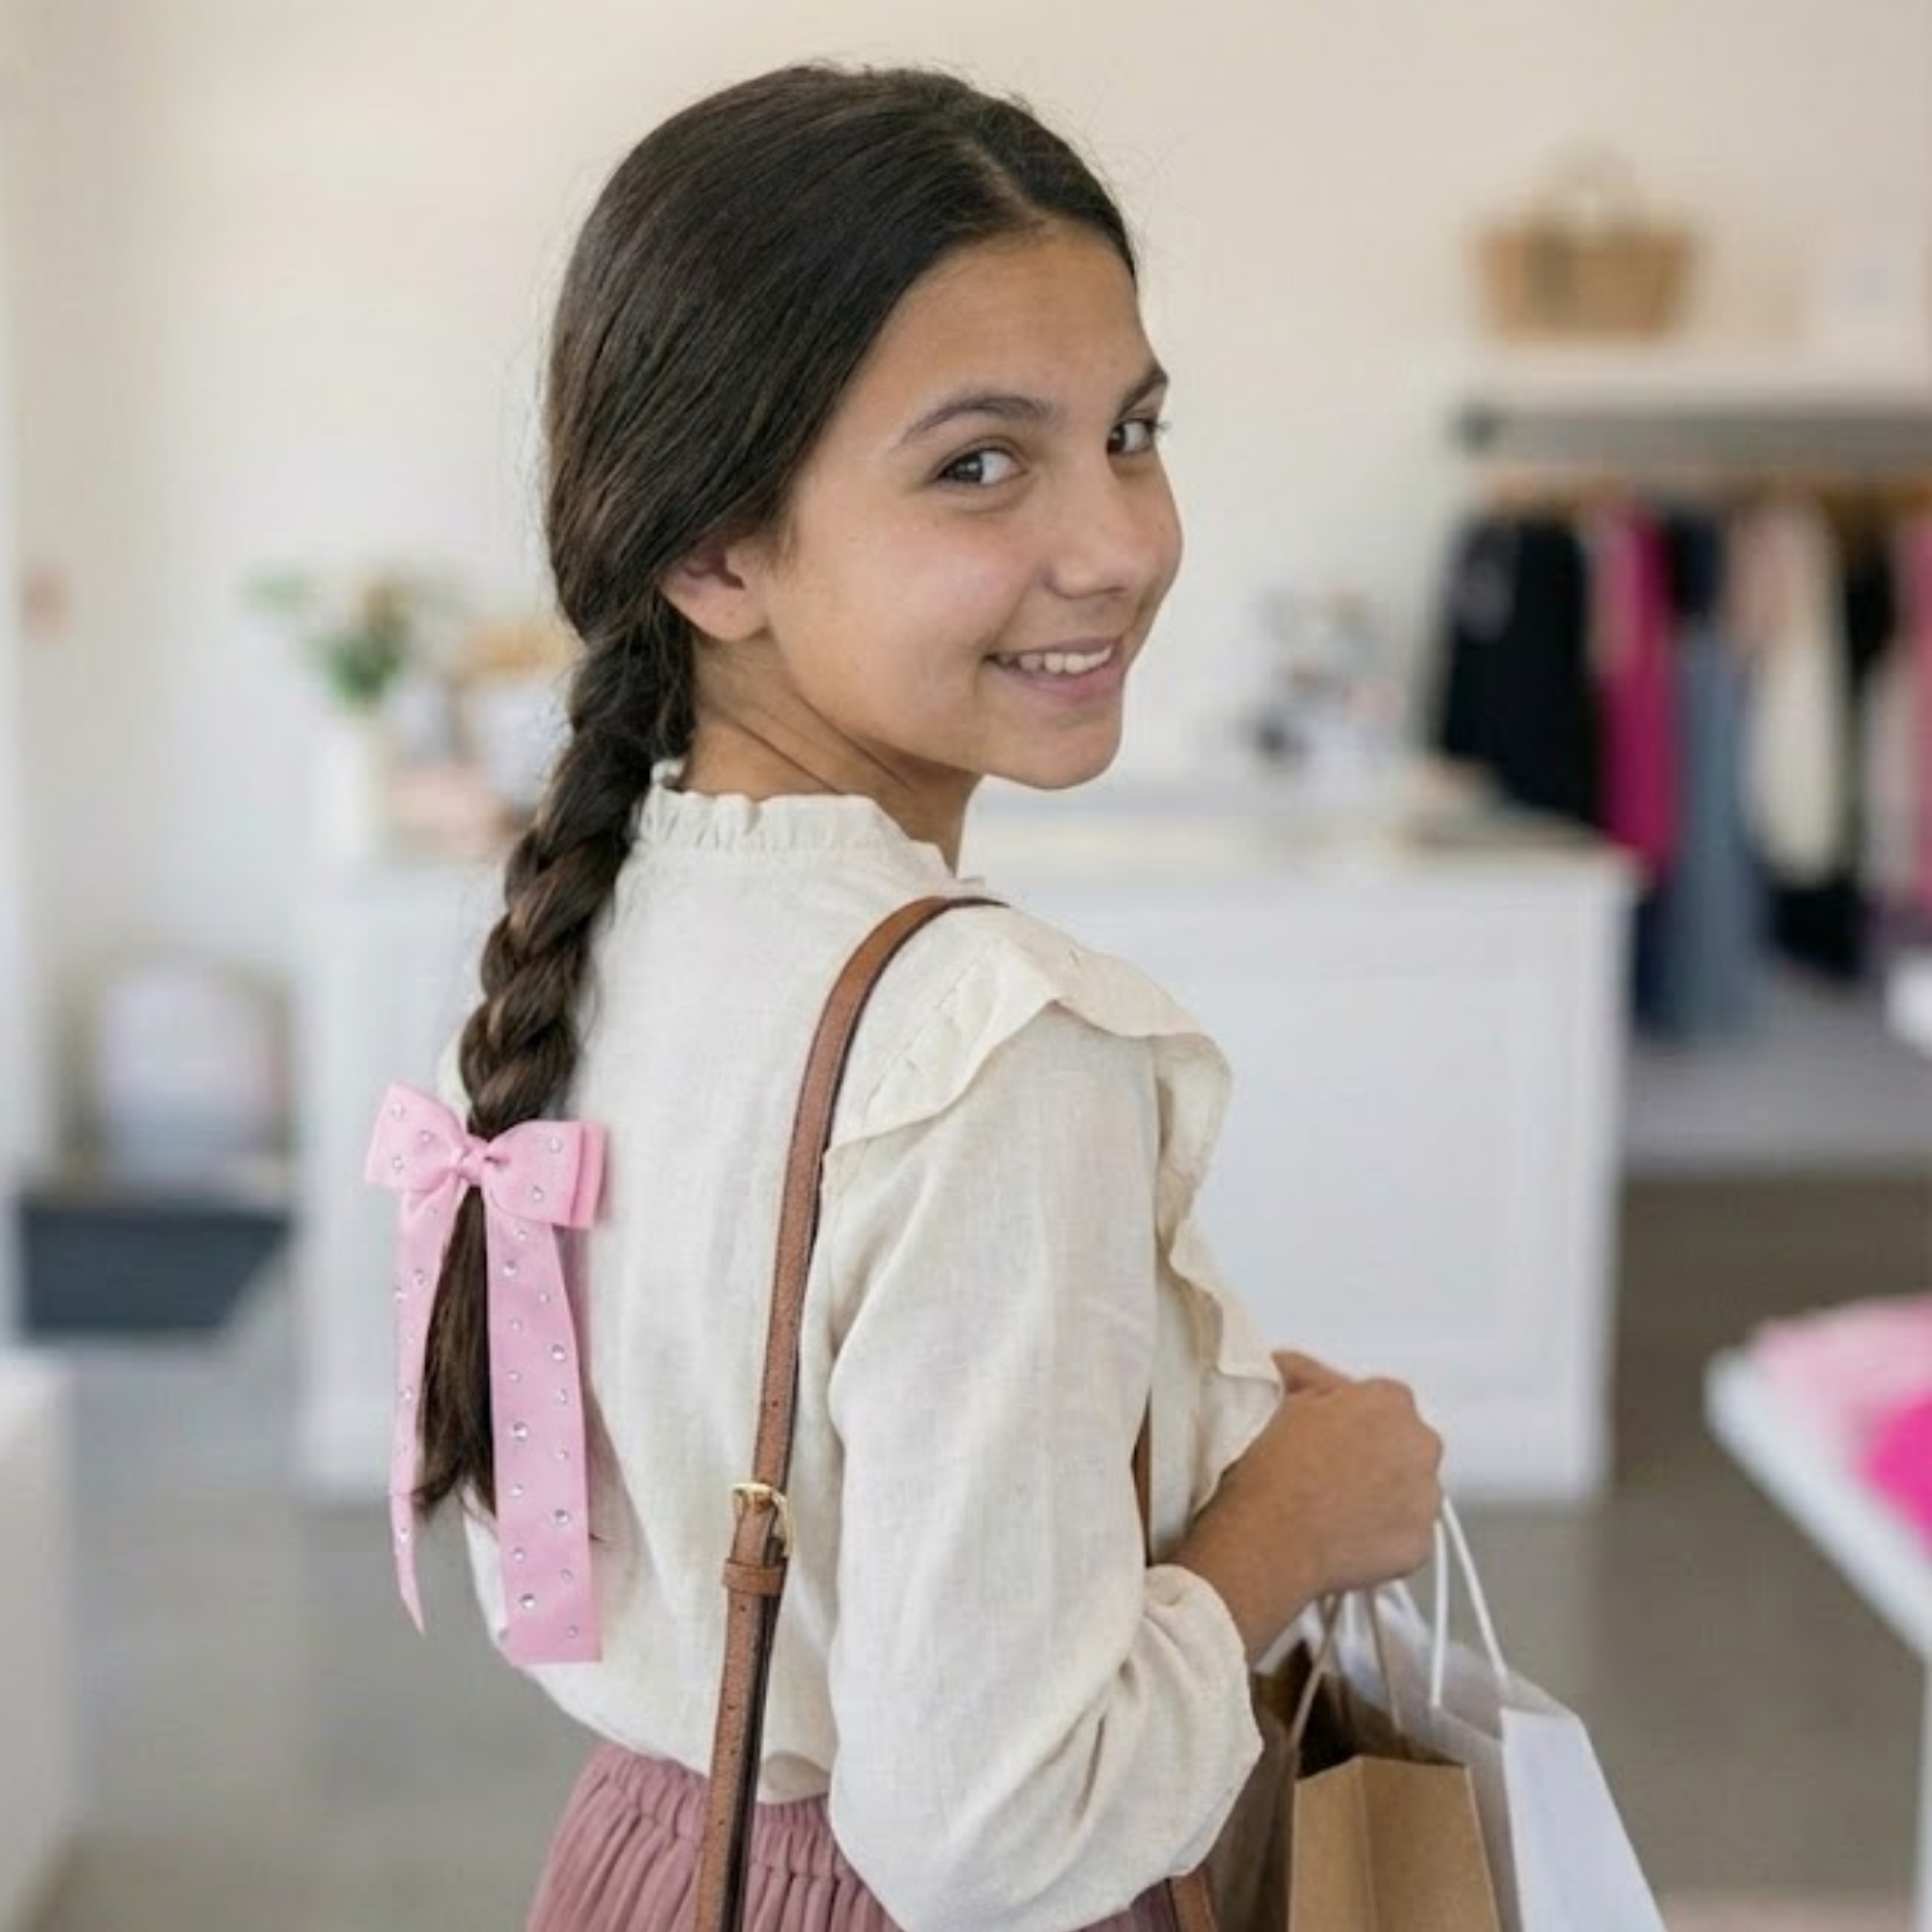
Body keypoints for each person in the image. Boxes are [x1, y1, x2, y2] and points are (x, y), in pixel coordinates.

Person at [395, 60, 1443, 1932]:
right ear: (712, 550)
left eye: (1129, 429)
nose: (1118, 542)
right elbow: (985, 1834)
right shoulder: (986, 1048)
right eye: (978, 463)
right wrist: (1291, 1518)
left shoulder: (608, 914)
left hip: (650, 1858)